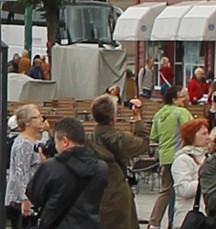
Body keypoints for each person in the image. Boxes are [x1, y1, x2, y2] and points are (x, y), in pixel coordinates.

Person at [25, 116, 108, 229]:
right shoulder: (101, 168)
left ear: (65, 141)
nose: (54, 146)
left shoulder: (51, 167)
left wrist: (44, 165)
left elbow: (35, 196)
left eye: (55, 142)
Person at [88, 94, 149, 229]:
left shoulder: (88, 139)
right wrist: (138, 117)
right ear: (114, 118)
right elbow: (143, 144)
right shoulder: (120, 138)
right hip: (117, 193)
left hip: (94, 195)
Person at [149, 85, 195, 229]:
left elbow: (154, 136)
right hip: (180, 156)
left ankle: (154, 222)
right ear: (174, 99)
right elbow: (191, 131)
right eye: (182, 96)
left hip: (165, 156)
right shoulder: (182, 112)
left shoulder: (159, 114)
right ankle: (174, 221)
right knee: (181, 191)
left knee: (165, 190)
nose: (185, 99)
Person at [6, 104, 47, 228]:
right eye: (37, 117)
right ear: (27, 122)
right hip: (21, 199)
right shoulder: (23, 144)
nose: (42, 120)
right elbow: (21, 172)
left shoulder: (34, 141)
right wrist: (25, 199)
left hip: (34, 195)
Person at [172, 119, 208, 216]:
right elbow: (184, 190)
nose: (207, 137)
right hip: (189, 216)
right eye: (203, 134)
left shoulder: (208, 157)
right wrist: (208, 181)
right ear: (192, 136)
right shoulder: (182, 159)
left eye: (208, 133)